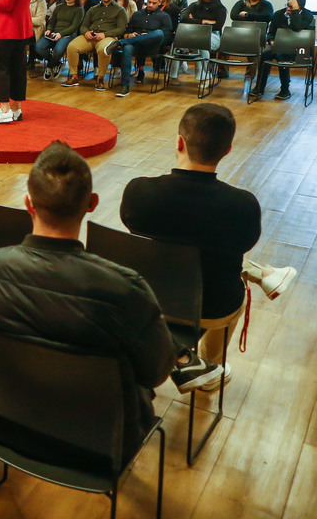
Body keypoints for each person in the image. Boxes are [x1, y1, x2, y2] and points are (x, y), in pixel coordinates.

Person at [0, 142, 176, 462]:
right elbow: (156, 371)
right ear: (92, 203)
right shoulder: (126, 291)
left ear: (28, 203)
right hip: (97, 446)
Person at [121, 104, 296, 391]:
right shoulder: (242, 205)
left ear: (179, 142)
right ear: (227, 151)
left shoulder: (138, 192)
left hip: (153, 298)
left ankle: (263, 274)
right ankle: (211, 364)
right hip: (213, 306)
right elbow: (241, 245)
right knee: (223, 262)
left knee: (197, 251)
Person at [63, 0, 127, 91]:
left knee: (103, 50)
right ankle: (74, 76)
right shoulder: (93, 9)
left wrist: (105, 34)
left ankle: (100, 79)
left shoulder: (120, 10)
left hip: (108, 37)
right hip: (91, 36)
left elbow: (121, 29)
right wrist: (86, 32)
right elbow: (83, 26)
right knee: (72, 46)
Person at [250, 0, 315, 101]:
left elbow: (296, 27)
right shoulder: (278, 14)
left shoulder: (307, 16)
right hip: (279, 46)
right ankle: (259, 87)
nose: (288, 8)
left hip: (301, 50)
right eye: (288, 5)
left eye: (292, 6)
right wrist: (272, 42)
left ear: (299, 7)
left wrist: (294, 13)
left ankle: (285, 89)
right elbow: (271, 33)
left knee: (282, 54)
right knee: (266, 53)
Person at [112, 0, 173, 97]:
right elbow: (127, 32)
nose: (150, 5)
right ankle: (125, 86)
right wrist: (130, 35)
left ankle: (120, 43)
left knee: (159, 33)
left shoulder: (164, 16)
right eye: (149, 2)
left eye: (154, 3)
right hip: (137, 44)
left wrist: (148, 36)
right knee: (127, 48)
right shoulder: (137, 14)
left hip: (154, 46)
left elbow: (167, 37)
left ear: (159, 2)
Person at [172, 0, 226, 84]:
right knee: (178, 41)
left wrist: (194, 21)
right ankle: (173, 76)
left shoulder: (220, 9)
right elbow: (183, 19)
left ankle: (205, 77)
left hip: (212, 36)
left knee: (201, 43)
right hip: (193, 34)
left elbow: (218, 26)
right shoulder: (195, 5)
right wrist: (203, 21)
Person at [35, 0, 82, 80]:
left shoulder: (79, 10)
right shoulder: (59, 7)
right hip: (54, 33)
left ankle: (49, 66)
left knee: (58, 50)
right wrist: (49, 29)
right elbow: (52, 22)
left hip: (68, 35)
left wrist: (61, 34)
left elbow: (74, 27)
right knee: (39, 47)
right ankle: (56, 63)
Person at [26, 0, 47, 76]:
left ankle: (31, 61)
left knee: (30, 34)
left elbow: (40, 20)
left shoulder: (40, 0)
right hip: (22, 26)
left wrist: (24, 20)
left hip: (35, 27)